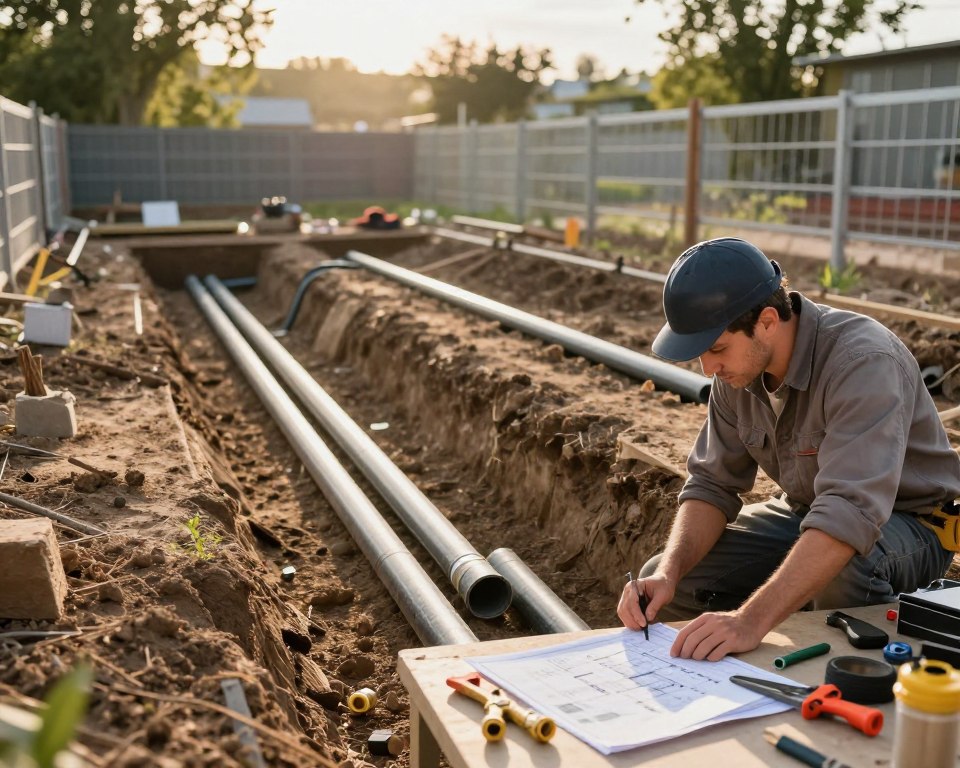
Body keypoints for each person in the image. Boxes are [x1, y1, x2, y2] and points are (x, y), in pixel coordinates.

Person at [617, 237, 960, 661]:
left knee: (846, 568)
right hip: (807, 513)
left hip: (909, 526)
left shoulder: (862, 362)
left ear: (766, 321)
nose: (709, 369)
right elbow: (710, 484)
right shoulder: (736, 375)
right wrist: (668, 573)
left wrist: (749, 620)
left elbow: (849, 515)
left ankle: (845, 671)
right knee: (665, 579)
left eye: (717, 348)